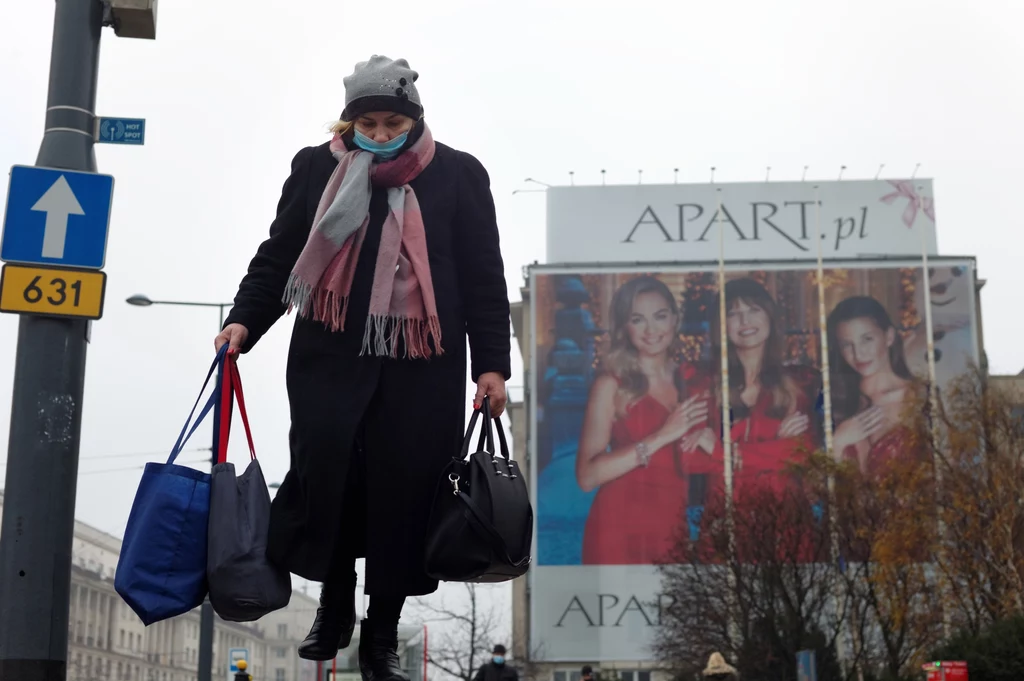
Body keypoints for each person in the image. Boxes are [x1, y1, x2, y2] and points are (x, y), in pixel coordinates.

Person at [215, 55, 511, 680]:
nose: (381, 135)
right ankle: (335, 601)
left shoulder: (458, 175)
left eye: (392, 123)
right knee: (329, 474)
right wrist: (245, 320)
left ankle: (380, 634)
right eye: (368, 124)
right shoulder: (316, 167)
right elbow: (280, 255)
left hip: (421, 362)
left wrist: (491, 365)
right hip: (329, 353)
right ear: (349, 122)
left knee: (405, 489)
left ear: (415, 118)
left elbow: (485, 277)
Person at [576, 276, 708, 565]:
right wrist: (662, 435)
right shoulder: (611, 385)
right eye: (638, 319)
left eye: (660, 316)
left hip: (673, 525)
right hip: (617, 527)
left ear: (675, 319)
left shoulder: (694, 380)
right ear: (625, 327)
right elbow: (587, 477)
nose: (651, 330)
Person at [679, 278, 821, 496]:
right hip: (725, 518)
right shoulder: (701, 384)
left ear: (770, 317)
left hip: (786, 518)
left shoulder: (800, 381)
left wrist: (720, 453)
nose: (745, 320)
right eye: (733, 313)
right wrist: (776, 448)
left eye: (754, 310)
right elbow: (691, 460)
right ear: (721, 325)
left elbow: (803, 454)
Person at [827, 295, 924, 475]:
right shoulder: (834, 401)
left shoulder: (921, 397)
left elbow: (948, 468)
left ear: (888, 337)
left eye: (867, 339)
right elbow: (816, 487)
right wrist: (838, 443)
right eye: (847, 345)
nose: (859, 354)